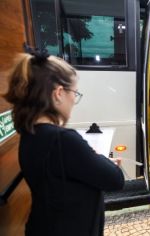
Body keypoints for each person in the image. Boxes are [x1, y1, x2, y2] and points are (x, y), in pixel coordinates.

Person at [3, 49, 125, 236]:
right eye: (74, 93)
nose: (73, 99)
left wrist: (90, 158)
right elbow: (115, 179)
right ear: (59, 93)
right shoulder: (62, 140)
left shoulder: (30, 134)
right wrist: (100, 159)